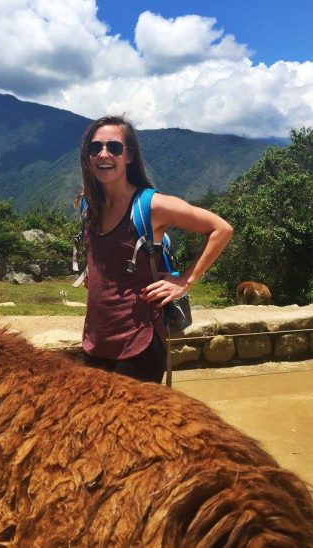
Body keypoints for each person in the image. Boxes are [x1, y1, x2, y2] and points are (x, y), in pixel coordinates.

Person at [78, 115, 233, 383]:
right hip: (95, 339)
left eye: (114, 147)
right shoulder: (88, 204)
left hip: (139, 343)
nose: (103, 154)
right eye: (95, 147)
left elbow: (221, 229)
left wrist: (184, 280)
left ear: (129, 155)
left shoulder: (151, 206)